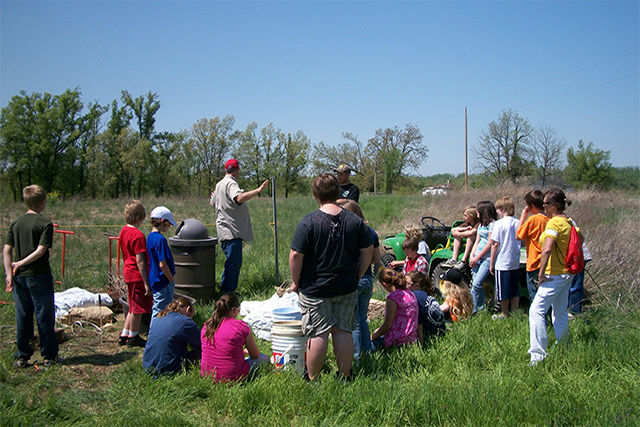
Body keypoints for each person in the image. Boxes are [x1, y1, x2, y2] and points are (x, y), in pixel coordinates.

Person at [288, 173, 373, 381]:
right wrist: (357, 274)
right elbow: (369, 249)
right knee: (343, 330)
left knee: (317, 333)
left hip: (315, 288)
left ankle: (313, 379)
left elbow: (295, 255)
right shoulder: (354, 220)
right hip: (346, 286)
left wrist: (296, 282)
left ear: (316, 195)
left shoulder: (309, 221)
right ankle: (345, 376)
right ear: (337, 192)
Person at [3, 185, 58, 368]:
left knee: (23, 316)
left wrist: (9, 273)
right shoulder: (45, 223)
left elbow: (6, 250)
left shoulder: (16, 223)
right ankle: (49, 356)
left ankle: (23, 355)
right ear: (42, 202)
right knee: (44, 316)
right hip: (38, 276)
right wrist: (18, 265)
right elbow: (41, 251)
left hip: (20, 278)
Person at [529, 188, 582, 366]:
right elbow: (581, 238)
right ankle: (563, 346)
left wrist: (541, 273)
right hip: (566, 274)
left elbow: (547, 248)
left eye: (545, 203)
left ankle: (537, 355)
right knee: (559, 312)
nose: (543, 206)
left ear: (553, 205)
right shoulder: (568, 221)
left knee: (536, 311)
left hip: (554, 275)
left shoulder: (553, 224)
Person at [211, 159, 269, 293]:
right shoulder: (231, 183)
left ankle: (225, 290)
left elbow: (213, 202)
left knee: (231, 262)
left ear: (226, 169)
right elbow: (239, 198)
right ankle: (227, 292)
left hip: (225, 230)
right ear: (237, 170)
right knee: (233, 263)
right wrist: (258, 190)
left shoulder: (219, 184)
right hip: (231, 231)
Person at [337, 199, 381, 361]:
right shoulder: (370, 232)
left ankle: (355, 359)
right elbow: (376, 258)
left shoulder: (346, 232)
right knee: (362, 318)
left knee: (353, 321)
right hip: (368, 279)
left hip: (353, 280)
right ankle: (367, 353)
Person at [200, 294, 268, 383]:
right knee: (264, 358)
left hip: (207, 375)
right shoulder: (240, 327)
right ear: (234, 310)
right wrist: (247, 351)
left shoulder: (207, 325)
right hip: (233, 377)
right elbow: (255, 355)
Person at [118, 200, 153, 347]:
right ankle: (134, 337)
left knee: (132, 306)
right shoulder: (137, 235)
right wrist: (146, 282)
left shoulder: (123, 231)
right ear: (140, 216)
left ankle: (124, 334)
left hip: (127, 272)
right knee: (138, 308)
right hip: (136, 275)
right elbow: (140, 261)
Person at [142, 296, 201, 377]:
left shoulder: (159, 317)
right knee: (204, 349)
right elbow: (200, 344)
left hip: (147, 366)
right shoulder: (186, 322)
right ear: (188, 310)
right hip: (168, 370)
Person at [489, 197, 521, 319]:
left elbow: (495, 244)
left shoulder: (499, 224)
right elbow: (522, 241)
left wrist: (492, 263)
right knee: (515, 289)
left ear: (503, 209)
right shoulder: (518, 222)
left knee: (503, 291)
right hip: (515, 261)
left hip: (502, 262)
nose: (497, 212)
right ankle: (514, 311)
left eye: (498, 209)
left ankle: (504, 314)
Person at [371, 269, 418, 349]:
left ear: (384, 284)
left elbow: (387, 325)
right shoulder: (409, 293)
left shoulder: (392, 298)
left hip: (398, 341)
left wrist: (373, 336)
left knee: (366, 346)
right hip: (411, 339)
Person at [516, 190, 549, 303]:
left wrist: (523, 216)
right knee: (546, 295)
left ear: (532, 206)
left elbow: (518, 235)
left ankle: (538, 319)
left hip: (534, 262)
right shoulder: (549, 218)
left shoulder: (533, 219)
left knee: (535, 295)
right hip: (548, 262)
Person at [147, 206, 177, 320]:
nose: (169, 226)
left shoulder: (150, 237)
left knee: (161, 309)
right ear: (162, 221)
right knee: (161, 310)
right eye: (168, 223)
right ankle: (155, 334)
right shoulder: (160, 240)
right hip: (163, 281)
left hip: (155, 279)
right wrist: (171, 279)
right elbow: (162, 264)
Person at [468, 201, 497, 313]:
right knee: (475, 283)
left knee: (476, 284)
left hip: (487, 258)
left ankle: (475, 309)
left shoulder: (492, 225)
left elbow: (490, 243)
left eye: (478, 211)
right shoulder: (481, 225)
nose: (476, 213)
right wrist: (472, 255)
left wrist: (478, 257)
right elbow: (477, 241)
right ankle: (478, 308)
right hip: (477, 257)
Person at [405, 270, 445, 343]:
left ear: (416, 286)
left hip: (432, 334)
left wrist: (421, 343)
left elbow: (419, 323)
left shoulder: (414, 297)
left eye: (407, 284)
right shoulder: (425, 294)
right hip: (441, 329)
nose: (405, 286)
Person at [568, 243, 592, 315]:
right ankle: (576, 312)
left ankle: (574, 313)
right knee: (576, 286)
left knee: (574, 287)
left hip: (575, 256)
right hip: (575, 255)